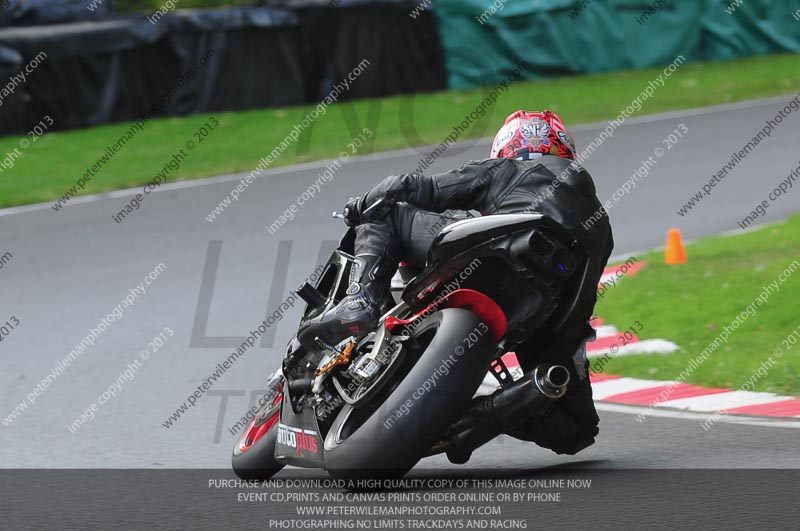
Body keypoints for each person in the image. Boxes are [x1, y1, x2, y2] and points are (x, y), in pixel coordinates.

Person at [299, 110, 614, 456]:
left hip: (491, 257)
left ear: (508, 146)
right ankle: (479, 418)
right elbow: (581, 306)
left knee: (385, 210)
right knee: (577, 429)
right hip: (540, 310)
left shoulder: (505, 168)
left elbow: (421, 189)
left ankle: (360, 300)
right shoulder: (600, 222)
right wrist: (559, 359)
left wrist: (361, 205)